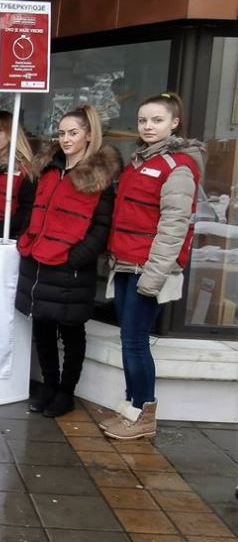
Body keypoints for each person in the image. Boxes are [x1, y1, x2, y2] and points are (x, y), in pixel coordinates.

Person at [101, 92, 203, 440]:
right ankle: (132, 408)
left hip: (148, 269)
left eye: (157, 120)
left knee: (135, 342)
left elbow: (174, 226)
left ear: (174, 123)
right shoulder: (139, 161)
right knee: (129, 340)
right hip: (128, 264)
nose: (148, 126)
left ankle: (143, 414)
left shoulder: (178, 166)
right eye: (143, 120)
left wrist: (154, 276)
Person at [15, 104, 121, 417]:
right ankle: (49, 385)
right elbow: (32, 209)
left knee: (71, 332)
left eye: (73, 133)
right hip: (39, 261)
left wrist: (77, 258)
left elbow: (102, 226)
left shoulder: (98, 176)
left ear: (89, 135)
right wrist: (29, 240)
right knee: (43, 327)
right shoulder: (48, 169)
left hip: (71, 267)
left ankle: (66, 392)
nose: (65, 139)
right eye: (61, 133)